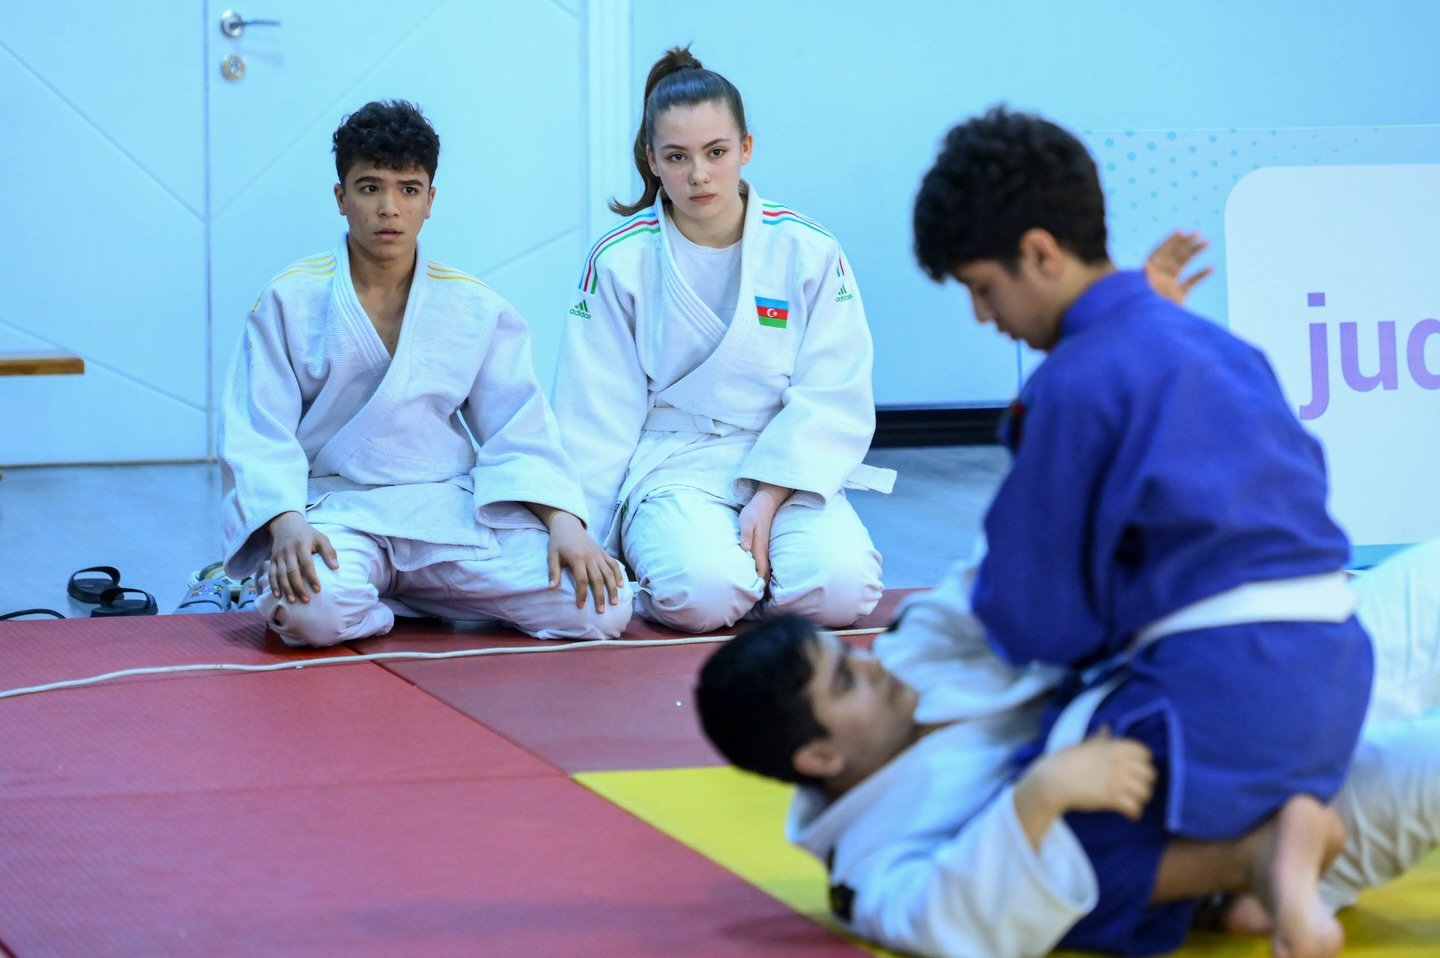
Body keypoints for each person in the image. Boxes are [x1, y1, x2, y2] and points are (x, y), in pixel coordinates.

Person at [910, 106, 1373, 956]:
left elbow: (1036, 620)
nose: (983, 316)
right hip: (1336, 682)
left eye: (982, 287)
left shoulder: (1073, 383)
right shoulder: (1221, 347)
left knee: (1000, 858)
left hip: (1218, 696)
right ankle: (1259, 873)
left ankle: (1253, 860)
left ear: (1040, 253)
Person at [694, 540, 1440, 958]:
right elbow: (953, 921)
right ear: (820, 758)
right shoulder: (870, 870)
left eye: (848, 654)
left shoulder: (914, 652)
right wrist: (1040, 794)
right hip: (1253, 819)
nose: (871, 665)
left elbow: (1005, 561)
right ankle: (1255, 878)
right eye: (844, 681)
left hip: (1238, 677)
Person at [217, 100, 630, 647]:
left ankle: (394, 597)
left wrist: (564, 523)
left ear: (430, 200)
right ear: (340, 198)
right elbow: (257, 431)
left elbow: (519, 430)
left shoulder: (474, 306)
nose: (389, 207)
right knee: (307, 610)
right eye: (370, 188)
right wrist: (286, 524)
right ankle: (397, 600)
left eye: (408, 189)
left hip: (444, 515)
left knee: (602, 608)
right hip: (338, 514)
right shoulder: (290, 299)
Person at [551, 46, 893, 634]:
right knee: (703, 596)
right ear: (652, 160)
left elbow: (835, 387)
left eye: (716, 152)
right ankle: (700, 569)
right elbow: (594, 411)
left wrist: (770, 493)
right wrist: (586, 532)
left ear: (746, 148)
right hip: (673, 465)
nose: (699, 175)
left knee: (842, 592)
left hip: (785, 460)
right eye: (676, 156)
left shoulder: (807, 249)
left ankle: (756, 579)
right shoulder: (620, 259)